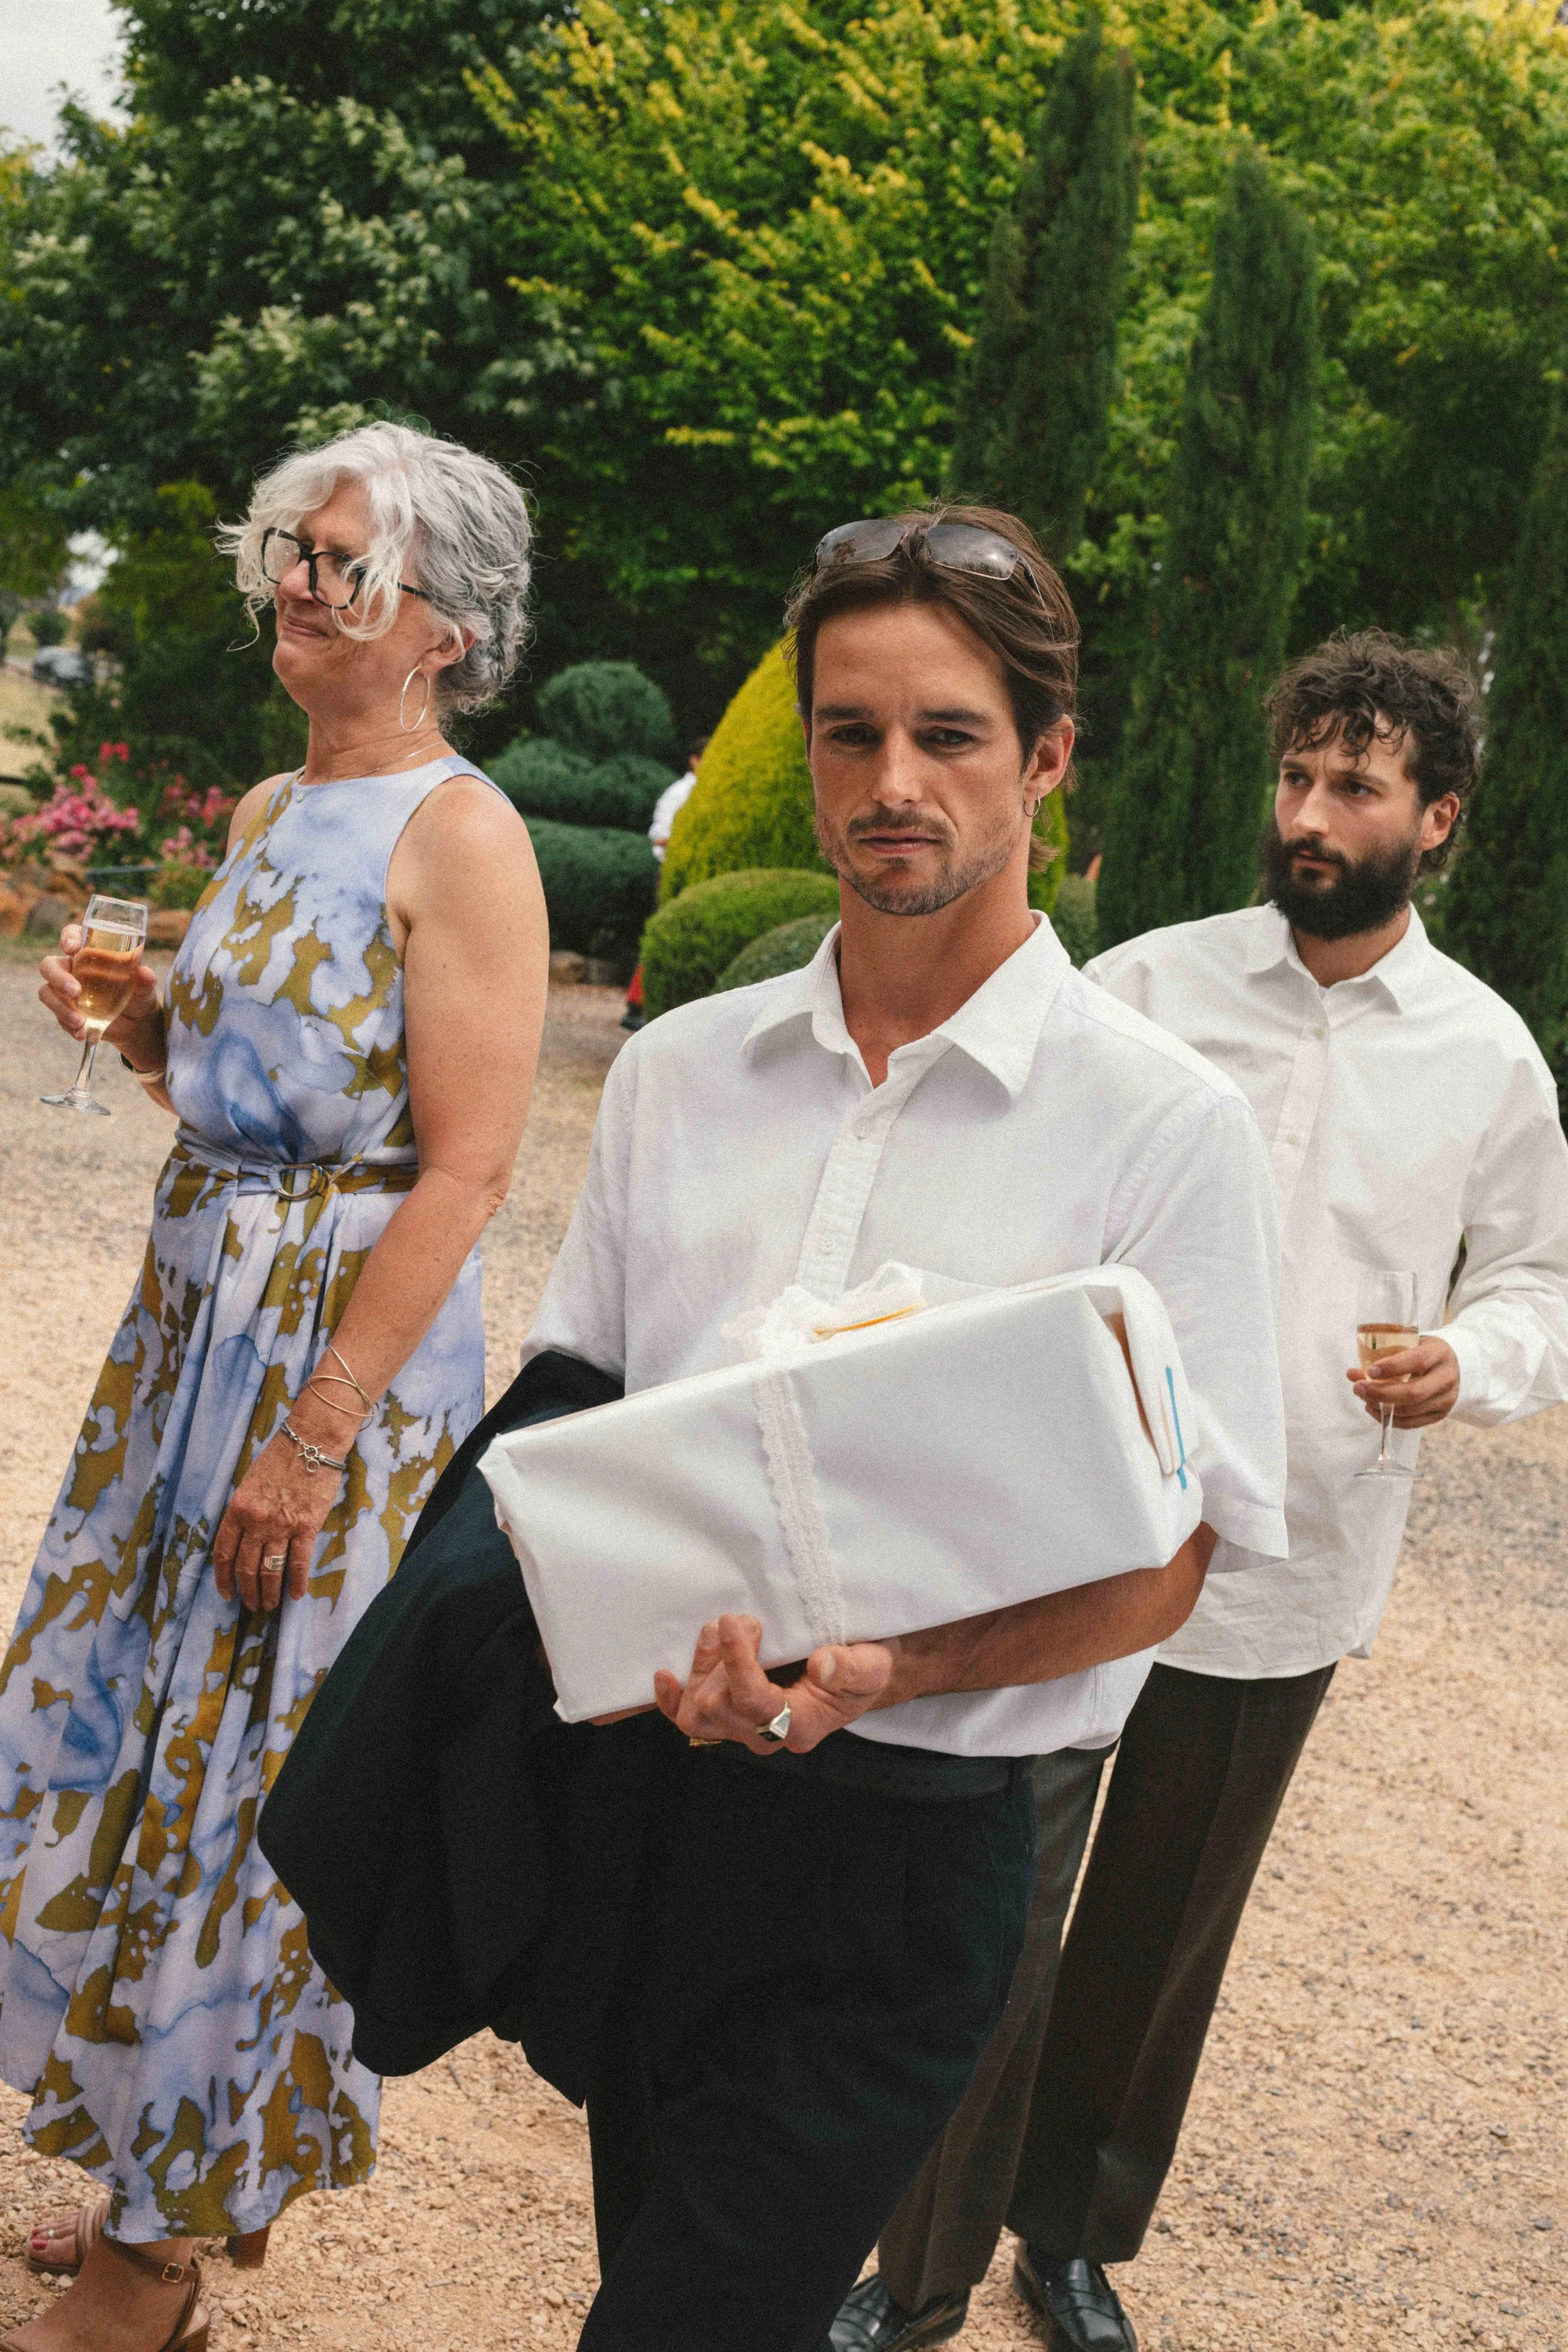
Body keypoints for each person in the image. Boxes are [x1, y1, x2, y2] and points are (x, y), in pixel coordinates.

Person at [516, 503, 1290, 2352]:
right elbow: (578, 1413)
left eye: (944, 734)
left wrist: (887, 1661)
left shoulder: (1158, 1123)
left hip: (922, 1839)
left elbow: (1173, 1555)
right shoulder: (679, 1072)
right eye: (847, 731)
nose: (889, 780)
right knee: (662, 2264)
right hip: (660, 1807)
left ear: (1042, 758)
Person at [834, 628, 1568, 2352]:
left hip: (1290, 1558)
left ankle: (1070, 2238)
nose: (1307, 813)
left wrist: (1467, 1360)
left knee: (1160, 1929)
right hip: (1078, 1530)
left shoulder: (1483, 1057)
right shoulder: (1144, 987)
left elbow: (1538, 1279)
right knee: (993, 1914)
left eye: (1354, 786)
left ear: (1435, 818)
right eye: (1295, 774)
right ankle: (910, 2268)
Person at [0, 420, 547, 2352]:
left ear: (447, 632)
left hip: (332, 1365)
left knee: (258, 1772)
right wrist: (153, 1029)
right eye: (294, 551)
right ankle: (159, 2160)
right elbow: (251, 1097)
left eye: (347, 564)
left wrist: (314, 1439)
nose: (299, 586)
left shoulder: (463, 837)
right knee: (149, 1720)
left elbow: (466, 1168)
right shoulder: (256, 813)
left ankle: (161, 2250)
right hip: (183, 1341)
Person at [622, 736, 712, 1031]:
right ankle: (637, 1003)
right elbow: (658, 836)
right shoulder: (680, 793)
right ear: (694, 760)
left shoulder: (708, 790)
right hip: (672, 872)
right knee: (663, 936)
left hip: (697, 873)